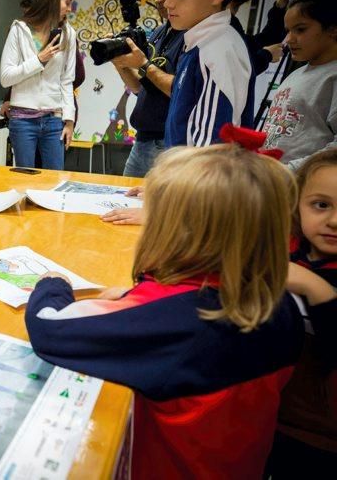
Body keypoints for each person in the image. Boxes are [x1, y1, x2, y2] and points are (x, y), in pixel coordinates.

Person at [25, 143, 337, 478]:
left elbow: (50, 329)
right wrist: (140, 295)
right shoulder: (281, 304)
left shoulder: (177, 323)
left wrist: (53, 285)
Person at [265, 148, 337, 477]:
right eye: (321, 205)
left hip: (320, 438)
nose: (334, 221)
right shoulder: (287, 249)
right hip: (272, 415)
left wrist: (319, 291)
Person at [159, 0, 255, 147]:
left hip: (196, 176)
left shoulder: (217, 49)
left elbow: (211, 151)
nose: (168, 2)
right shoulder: (198, 44)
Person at [110, 0, 186, 177]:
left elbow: (180, 89)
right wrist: (120, 64)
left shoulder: (191, 36)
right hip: (142, 140)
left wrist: (143, 64)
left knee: (160, 208)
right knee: (124, 203)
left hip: (168, 143)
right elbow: (139, 89)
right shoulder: (161, 32)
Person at [0, 0, 77, 169]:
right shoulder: (19, 30)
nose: (70, 8)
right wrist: (39, 60)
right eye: (67, 2)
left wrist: (69, 122)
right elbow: (6, 77)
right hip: (22, 122)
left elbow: (67, 81)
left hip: (53, 121)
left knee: (54, 181)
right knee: (24, 181)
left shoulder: (69, 34)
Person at [260, 0, 337, 170]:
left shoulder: (332, 77)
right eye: (288, 31)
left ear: (333, 29)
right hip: (272, 182)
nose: (289, 39)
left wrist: (293, 171)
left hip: (300, 186)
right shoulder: (296, 74)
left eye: (300, 30)